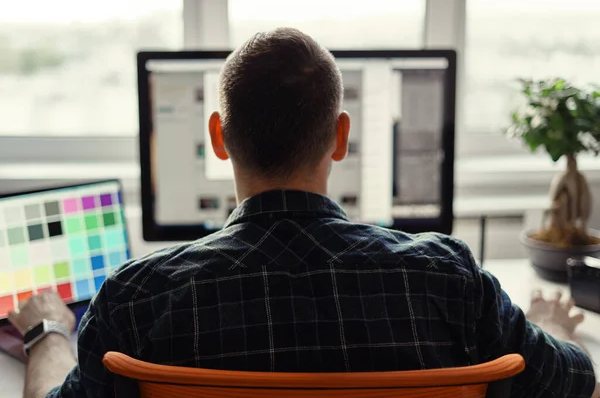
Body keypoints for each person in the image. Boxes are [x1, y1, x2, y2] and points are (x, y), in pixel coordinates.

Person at [8, 27, 598, 398]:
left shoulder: (136, 300)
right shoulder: (448, 281)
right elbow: (573, 382)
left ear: (218, 137)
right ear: (341, 138)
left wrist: (48, 331)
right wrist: (555, 327)